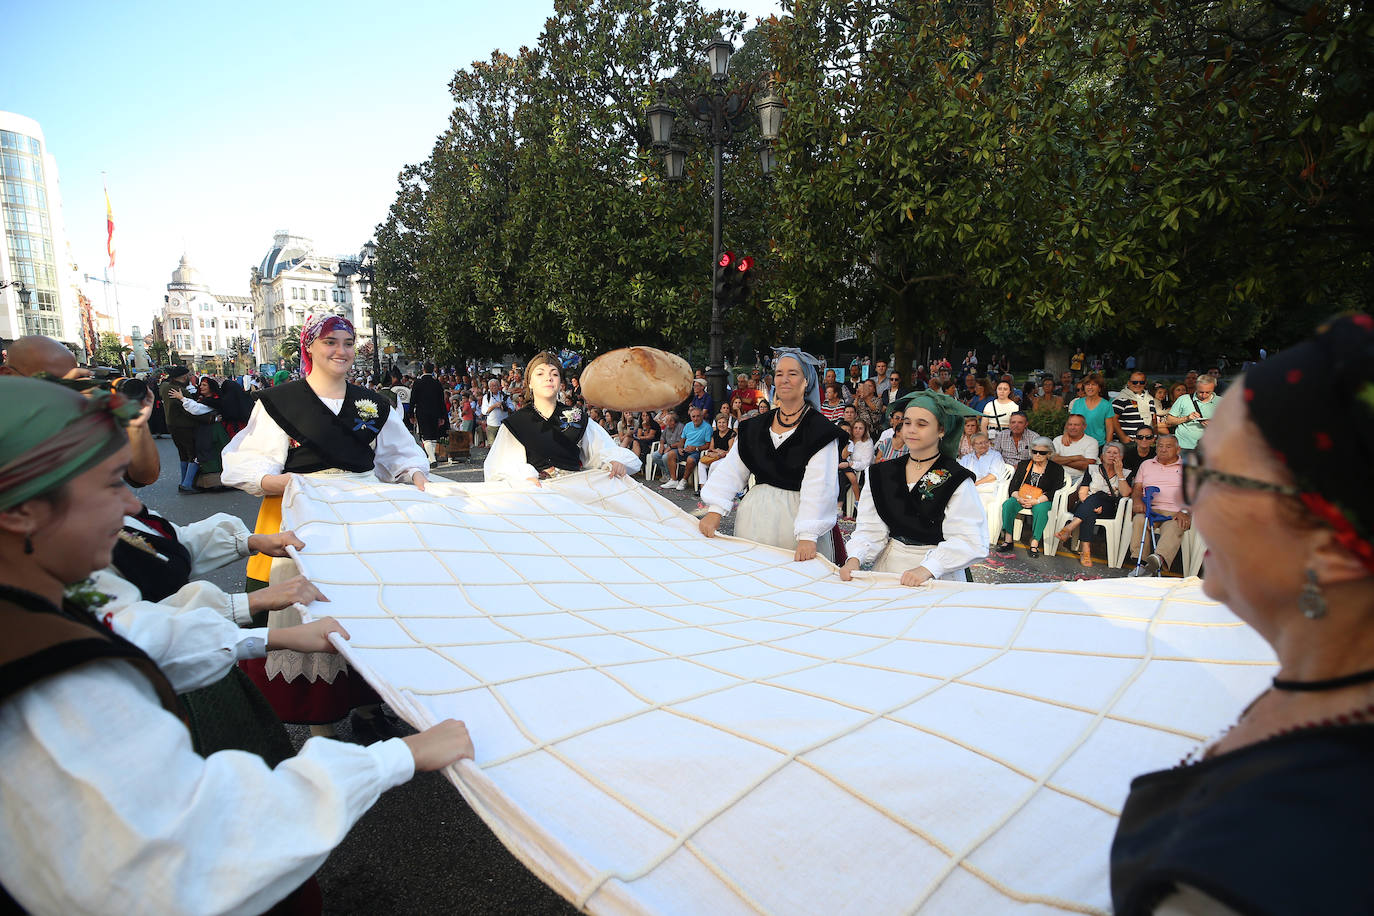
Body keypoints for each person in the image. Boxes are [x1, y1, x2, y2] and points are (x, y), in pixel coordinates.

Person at [0, 376, 473, 914]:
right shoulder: (53, 683)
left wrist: (261, 616)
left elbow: (143, 613)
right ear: (21, 512)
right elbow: (205, 843)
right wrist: (399, 757)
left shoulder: (45, 594)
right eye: (109, 484)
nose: (132, 502)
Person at [1111, 313, 1374, 916]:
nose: (1191, 498)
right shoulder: (1323, 692)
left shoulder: (1271, 862)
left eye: (1209, 474)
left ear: (1329, 547)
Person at [221, 315, 429, 732]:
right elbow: (248, 465)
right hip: (304, 520)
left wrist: (419, 479)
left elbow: (401, 457)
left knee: (368, 611)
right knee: (313, 610)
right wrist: (293, 485)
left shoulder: (375, 403)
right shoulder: (279, 401)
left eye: (348, 342)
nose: (341, 350)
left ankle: (370, 713)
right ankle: (322, 729)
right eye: (330, 341)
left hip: (364, 521)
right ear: (310, 347)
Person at [699, 349, 847, 562]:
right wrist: (715, 509)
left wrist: (808, 534)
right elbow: (733, 470)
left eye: (793, 373)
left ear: (806, 381)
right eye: (779, 373)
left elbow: (819, 484)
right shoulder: (755, 426)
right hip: (754, 517)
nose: (784, 379)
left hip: (796, 520)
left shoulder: (820, 430)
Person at [840, 391, 988, 585]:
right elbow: (871, 528)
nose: (911, 430)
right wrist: (855, 558)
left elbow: (968, 538)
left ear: (941, 430)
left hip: (938, 575)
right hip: (890, 570)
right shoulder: (881, 473)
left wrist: (928, 568)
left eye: (922, 424)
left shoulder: (956, 478)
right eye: (907, 422)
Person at [483, 352, 639, 485]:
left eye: (554, 374)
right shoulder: (517, 422)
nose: (548, 378)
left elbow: (602, 450)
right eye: (540, 373)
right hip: (535, 495)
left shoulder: (577, 416)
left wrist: (613, 462)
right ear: (529, 383)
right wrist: (523, 477)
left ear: (560, 383)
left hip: (574, 492)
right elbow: (499, 468)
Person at [1055, 442, 1132, 567]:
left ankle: (1070, 527)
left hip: (1109, 508)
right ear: (1102, 455)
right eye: (1108, 452)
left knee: (1097, 497)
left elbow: (1125, 494)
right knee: (1091, 506)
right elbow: (1083, 492)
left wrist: (1120, 473)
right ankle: (1086, 551)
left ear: (1121, 457)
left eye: (1115, 453)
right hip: (1088, 503)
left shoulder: (1126, 473)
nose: (1111, 455)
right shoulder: (1092, 469)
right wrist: (1091, 505)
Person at [995, 436, 1066, 557]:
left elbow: (1054, 490)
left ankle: (1034, 542)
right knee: (1008, 505)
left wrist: (1036, 501)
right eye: (1034, 451)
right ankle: (1008, 539)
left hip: (1042, 499)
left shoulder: (1056, 469)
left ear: (1049, 453)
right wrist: (1018, 498)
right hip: (1021, 496)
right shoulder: (1023, 465)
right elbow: (1013, 486)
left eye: (1042, 452)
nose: (1037, 454)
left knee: (1041, 510)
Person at [1127, 434, 1189, 572]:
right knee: (1139, 520)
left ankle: (1157, 560)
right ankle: (1141, 563)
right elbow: (1137, 488)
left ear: (1178, 450)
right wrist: (1137, 500)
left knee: (1176, 525)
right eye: (1160, 446)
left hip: (1174, 512)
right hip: (1150, 509)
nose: (1163, 449)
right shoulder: (1146, 465)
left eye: (1168, 446)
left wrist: (1185, 511)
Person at [1166, 373, 1221, 452]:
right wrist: (1186, 418)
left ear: (1214, 388)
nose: (1204, 395)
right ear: (1196, 387)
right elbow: (1169, 420)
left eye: (1208, 392)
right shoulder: (1183, 399)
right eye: (1201, 392)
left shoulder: (1221, 401)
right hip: (1184, 446)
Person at [411, 362, 449, 466]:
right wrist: (442, 416)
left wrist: (410, 414)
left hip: (422, 412)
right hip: (435, 412)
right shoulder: (436, 383)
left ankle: (432, 459)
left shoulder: (417, 383)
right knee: (433, 435)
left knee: (425, 435)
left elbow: (413, 399)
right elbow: (441, 401)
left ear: (423, 369)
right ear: (433, 370)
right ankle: (431, 458)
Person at [838, 417, 875, 518]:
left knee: (850, 478)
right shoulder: (847, 440)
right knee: (839, 476)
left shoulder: (867, 443)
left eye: (860, 428)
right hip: (843, 465)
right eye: (855, 428)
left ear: (865, 430)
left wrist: (849, 464)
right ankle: (839, 508)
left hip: (860, 469)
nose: (857, 430)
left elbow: (865, 463)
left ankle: (857, 504)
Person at [1070, 373, 1118, 448]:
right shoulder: (1077, 403)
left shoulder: (1106, 405)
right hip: (1078, 443)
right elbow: (1070, 422)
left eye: (1094, 384)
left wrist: (1106, 448)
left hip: (1098, 444)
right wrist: (1066, 435)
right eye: (1087, 384)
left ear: (1099, 388)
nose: (1090, 387)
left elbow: (1109, 429)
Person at [1051, 413, 1101, 486]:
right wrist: (1076, 458)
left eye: (1076, 425)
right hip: (1057, 476)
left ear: (1084, 427)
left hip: (1080, 479)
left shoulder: (1092, 442)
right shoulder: (1058, 440)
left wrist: (1061, 460)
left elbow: (1087, 466)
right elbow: (1052, 460)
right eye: (1070, 424)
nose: (1072, 427)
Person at [1112, 370, 1159, 444]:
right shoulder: (1122, 399)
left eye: (1141, 382)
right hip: (1129, 442)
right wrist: (1123, 437)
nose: (1138, 384)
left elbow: (1153, 418)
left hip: (1146, 441)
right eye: (1134, 382)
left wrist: (1155, 436)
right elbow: (1113, 418)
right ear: (1129, 383)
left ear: (1145, 383)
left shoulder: (1149, 399)